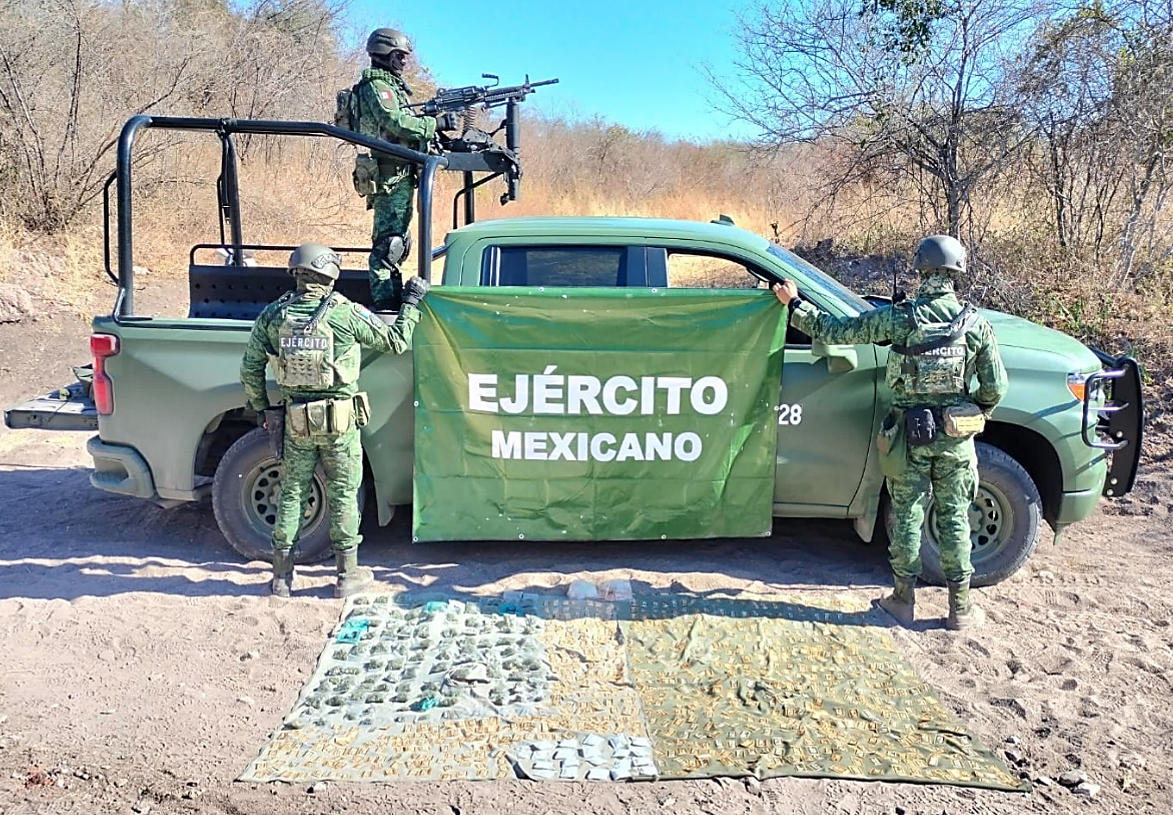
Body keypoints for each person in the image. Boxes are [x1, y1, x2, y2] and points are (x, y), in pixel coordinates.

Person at [772, 234, 1007, 630]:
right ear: (957, 272)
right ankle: (960, 610)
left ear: (921, 270)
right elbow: (995, 388)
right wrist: (973, 412)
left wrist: (794, 306)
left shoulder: (900, 318)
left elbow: (836, 330)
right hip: (955, 440)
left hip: (908, 436)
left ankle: (902, 601)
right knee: (954, 518)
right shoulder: (975, 325)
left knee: (908, 517)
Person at [240, 242, 430, 598]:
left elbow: (250, 368)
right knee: (343, 493)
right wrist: (411, 304)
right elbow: (396, 341)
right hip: (340, 424)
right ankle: (347, 577)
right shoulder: (344, 314)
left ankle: (281, 579)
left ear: (296, 272)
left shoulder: (274, 315)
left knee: (292, 493)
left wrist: (264, 409)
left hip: (296, 421)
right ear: (329, 274)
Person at [349, 28, 459, 310]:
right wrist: (433, 125)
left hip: (398, 173)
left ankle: (393, 298)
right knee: (389, 246)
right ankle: (386, 306)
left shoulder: (391, 85)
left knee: (398, 242)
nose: (404, 61)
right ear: (385, 54)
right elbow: (393, 121)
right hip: (389, 174)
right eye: (399, 55)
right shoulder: (377, 86)